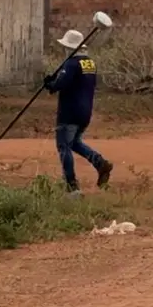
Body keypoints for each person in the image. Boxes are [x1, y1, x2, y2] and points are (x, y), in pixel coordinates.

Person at [44, 28, 114, 196]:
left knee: (64, 147)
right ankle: (100, 163)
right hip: (85, 112)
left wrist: (50, 84)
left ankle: (71, 185)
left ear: (69, 48)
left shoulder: (71, 64)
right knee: (74, 143)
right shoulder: (90, 63)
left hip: (69, 112)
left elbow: (61, 84)